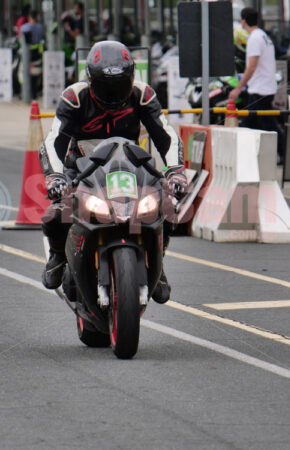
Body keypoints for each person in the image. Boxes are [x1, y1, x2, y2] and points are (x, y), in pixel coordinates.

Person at [39, 40, 187, 304]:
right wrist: (55, 176)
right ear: (90, 80)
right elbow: (53, 141)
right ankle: (58, 256)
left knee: (168, 207)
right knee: (55, 213)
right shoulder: (74, 98)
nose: (113, 93)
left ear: (130, 78)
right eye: (105, 86)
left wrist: (176, 171)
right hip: (82, 170)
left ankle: (157, 261)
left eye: (119, 85)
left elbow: (166, 135)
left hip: (131, 166)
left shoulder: (143, 95)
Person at [229, 7, 284, 164]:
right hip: (266, 87)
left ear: (243, 21)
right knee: (263, 123)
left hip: (260, 89)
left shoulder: (254, 38)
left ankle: (249, 158)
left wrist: (238, 88)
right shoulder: (264, 36)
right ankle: (273, 154)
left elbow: (251, 66)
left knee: (251, 124)